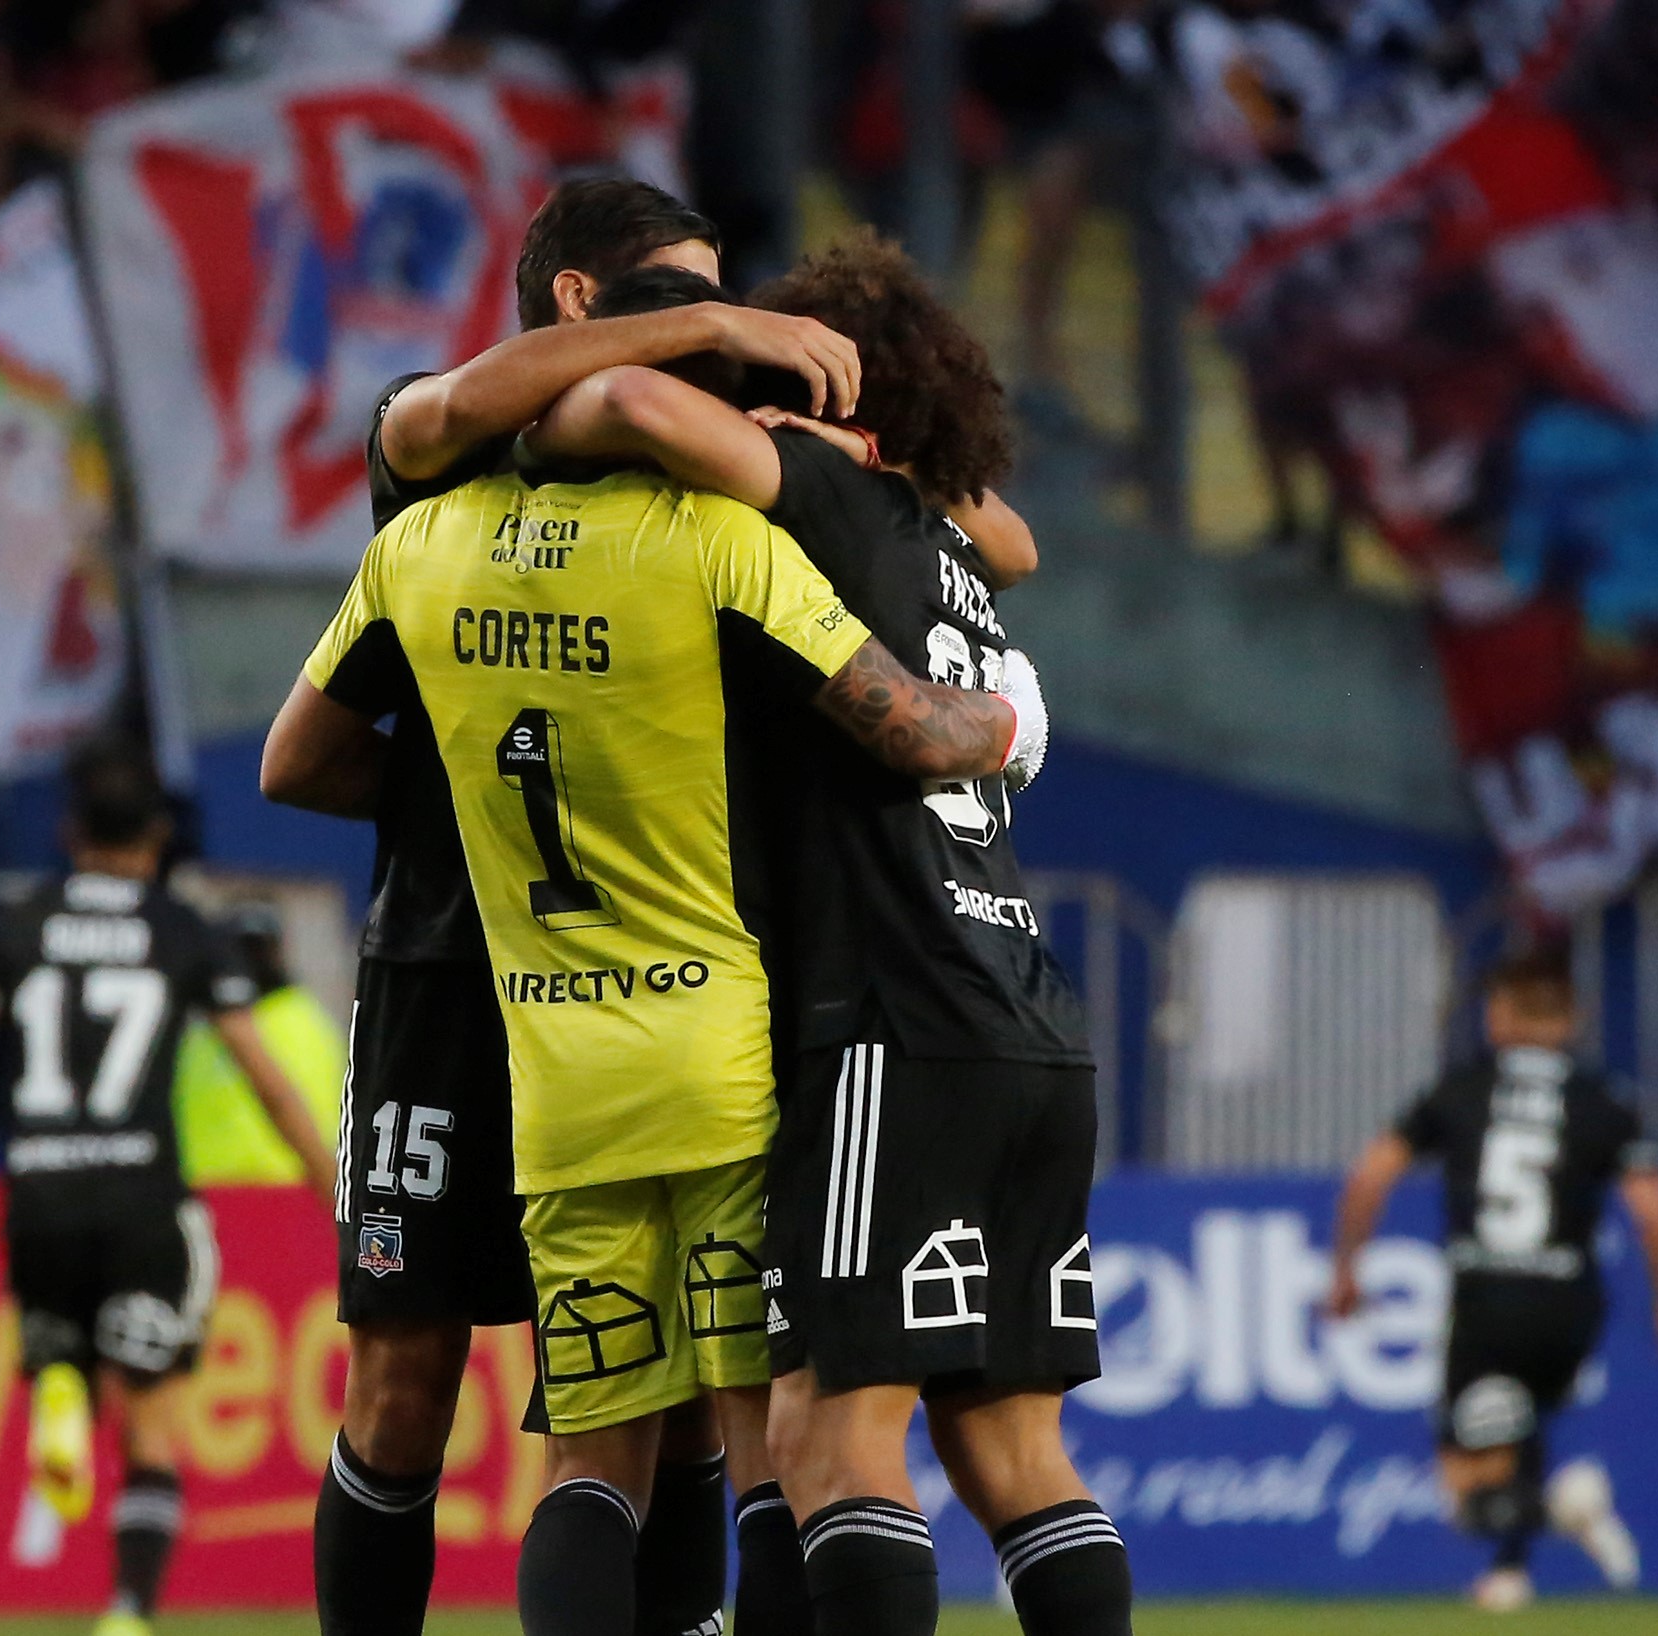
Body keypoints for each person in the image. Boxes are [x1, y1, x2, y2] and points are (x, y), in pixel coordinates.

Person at [286, 321, 1045, 1636]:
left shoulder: (416, 544)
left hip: (556, 1072)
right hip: (717, 1053)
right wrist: (1016, 716)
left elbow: (293, 765)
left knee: (590, 1466)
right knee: (766, 1434)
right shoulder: (720, 544)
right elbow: (921, 721)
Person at [261, 176, 861, 1636]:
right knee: (401, 1376)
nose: (713, 334)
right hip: (446, 971)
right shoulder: (445, 437)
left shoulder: (701, 485)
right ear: (580, 301)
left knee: (667, 1408)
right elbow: (305, 760)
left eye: (721, 303)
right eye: (678, 296)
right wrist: (463, 798)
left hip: (656, 975)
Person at [525, 231, 1128, 1636]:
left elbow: (615, 410)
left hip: (890, 1023)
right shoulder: (949, 538)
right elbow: (1014, 533)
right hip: (1029, 1025)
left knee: (824, 1438)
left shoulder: (815, 498)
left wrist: (732, 377)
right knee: (1015, 1455)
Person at [0, 741, 334, 1636]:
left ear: (68, 830)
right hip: (142, 1199)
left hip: (40, 1196)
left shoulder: (16, 927)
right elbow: (268, 1078)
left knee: (68, 1350)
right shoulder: (182, 931)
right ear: (160, 837)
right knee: (153, 1428)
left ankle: (60, 1381)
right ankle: (128, 1612)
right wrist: (334, 1187)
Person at [1326, 950, 1658, 1613]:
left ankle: (1561, 1507)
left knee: (1467, 1493)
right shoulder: (1605, 1099)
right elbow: (1657, 1213)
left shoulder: (1463, 1088)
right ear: (1571, 1019)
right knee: (1520, 1427)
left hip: (1488, 1297)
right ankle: (1511, 1576)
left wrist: (1347, 1271)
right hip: (1572, 1303)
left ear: (1499, 1015)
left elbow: (1370, 1175)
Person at [172, 905, 347, 1188]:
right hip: (209, 1188)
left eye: (257, 950)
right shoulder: (209, 1024)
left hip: (283, 1188)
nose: (248, 961)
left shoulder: (299, 1021)